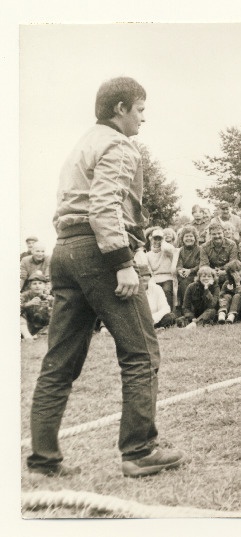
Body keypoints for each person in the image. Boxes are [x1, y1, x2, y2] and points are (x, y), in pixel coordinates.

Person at [27, 77, 183, 478]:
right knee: (141, 353)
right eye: (140, 110)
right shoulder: (118, 145)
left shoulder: (82, 143)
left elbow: (73, 206)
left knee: (59, 362)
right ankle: (139, 451)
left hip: (64, 250)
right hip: (99, 251)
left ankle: (43, 459)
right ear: (120, 109)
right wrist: (121, 261)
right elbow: (103, 207)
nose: (143, 119)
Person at [145, 227, 176, 311]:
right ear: (151, 240)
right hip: (154, 278)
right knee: (152, 290)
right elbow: (149, 270)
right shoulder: (148, 254)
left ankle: (169, 312)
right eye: (155, 238)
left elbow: (167, 248)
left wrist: (163, 242)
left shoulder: (167, 251)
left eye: (160, 239)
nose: (157, 241)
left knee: (166, 290)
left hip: (168, 277)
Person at [174, 225, 202, 314]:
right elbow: (179, 264)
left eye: (191, 236)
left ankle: (194, 310)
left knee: (191, 283)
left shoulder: (199, 249)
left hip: (196, 275)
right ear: (182, 238)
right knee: (183, 282)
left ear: (195, 238)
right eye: (186, 236)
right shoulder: (180, 251)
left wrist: (190, 270)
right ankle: (186, 310)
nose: (189, 238)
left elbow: (200, 264)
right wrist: (180, 270)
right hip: (184, 276)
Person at [140, 263, 176, 329]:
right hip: (140, 321)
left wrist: (153, 318)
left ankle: (154, 328)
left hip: (155, 319)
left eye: (146, 275)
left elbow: (165, 308)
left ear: (150, 277)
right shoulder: (134, 291)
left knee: (170, 317)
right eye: (141, 276)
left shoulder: (157, 288)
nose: (144, 278)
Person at [20, 271, 54, 340]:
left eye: (40, 283)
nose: (37, 286)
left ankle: (39, 334)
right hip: (27, 324)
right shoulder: (25, 295)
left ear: (44, 285)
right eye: (34, 284)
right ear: (30, 286)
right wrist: (28, 304)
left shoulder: (48, 296)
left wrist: (52, 302)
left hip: (42, 325)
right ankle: (27, 336)